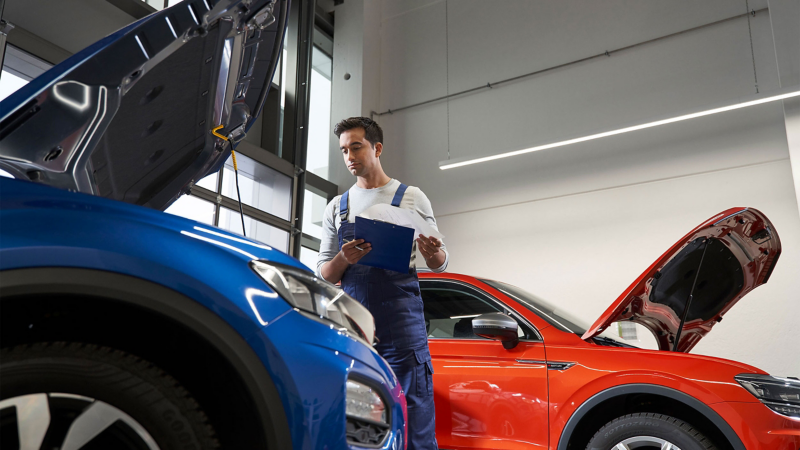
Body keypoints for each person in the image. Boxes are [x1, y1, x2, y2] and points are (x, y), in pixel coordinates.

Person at [317, 117, 447, 450]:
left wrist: (432, 252)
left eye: (356, 147)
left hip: (402, 321)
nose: (349, 156)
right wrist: (344, 259)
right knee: (361, 413)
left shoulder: (411, 197)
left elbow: (440, 262)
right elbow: (324, 273)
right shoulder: (337, 207)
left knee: (413, 405)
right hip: (354, 322)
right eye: (344, 150)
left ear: (377, 148)